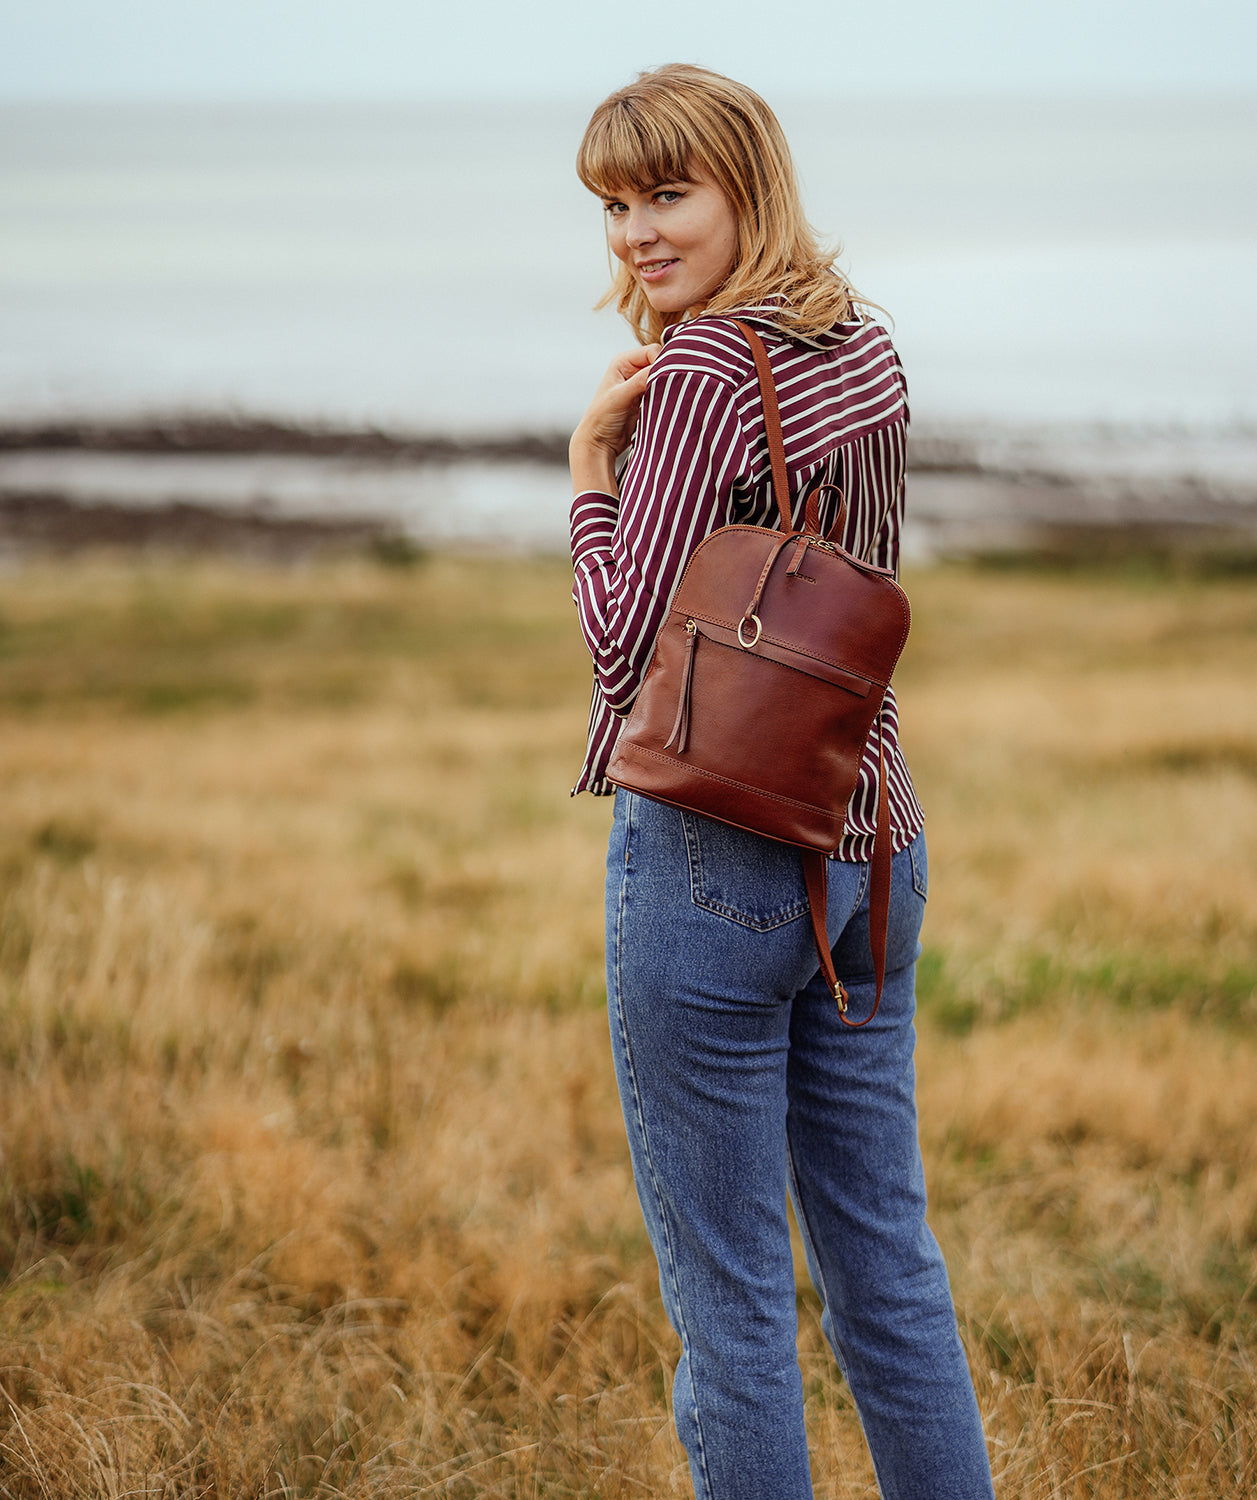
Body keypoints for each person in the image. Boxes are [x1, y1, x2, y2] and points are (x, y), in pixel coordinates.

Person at [567, 65, 996, 1500]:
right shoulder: (863, 345)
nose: (634, 232)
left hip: (709, 853)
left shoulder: (692, 377)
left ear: (748, 181)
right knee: (886, 1265)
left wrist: (587, 475)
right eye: (614, 205)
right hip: (871, 837)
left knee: (732, 1304)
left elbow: (628, 643)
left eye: (666, 192)